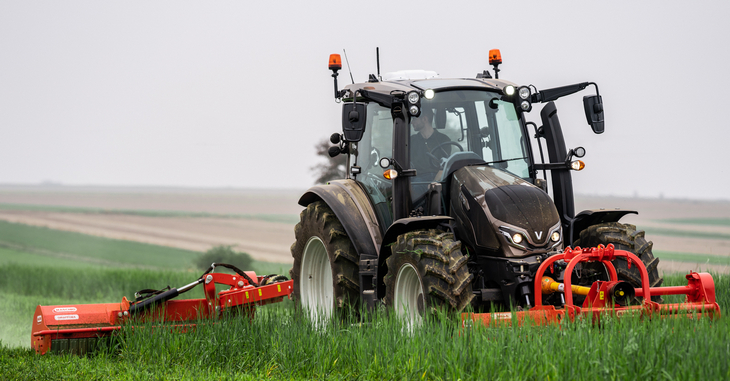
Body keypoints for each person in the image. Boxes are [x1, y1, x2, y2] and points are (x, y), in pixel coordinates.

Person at [410, 107, 452, 175]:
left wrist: (435, 183)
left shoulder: (444, 140)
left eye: (414, 119)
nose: (412, 122)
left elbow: (444, 166)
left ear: (424, 119)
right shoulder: (411, 141)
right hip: (416, 180)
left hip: (438, 179)